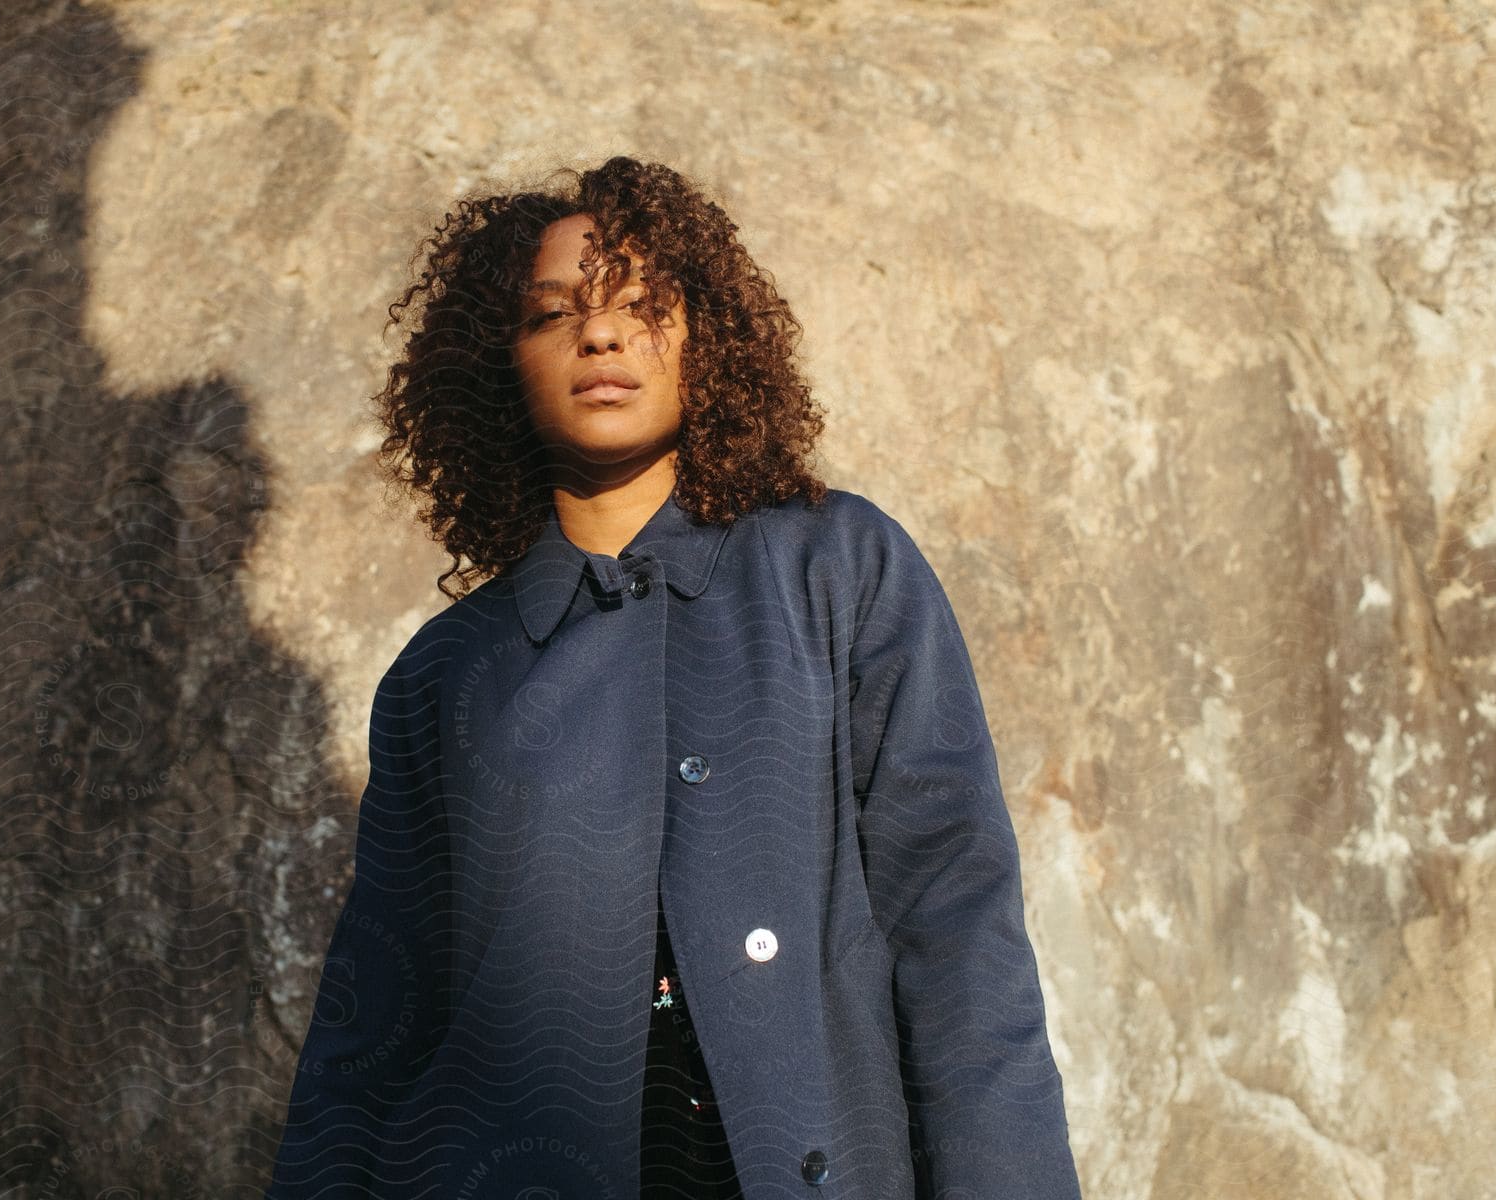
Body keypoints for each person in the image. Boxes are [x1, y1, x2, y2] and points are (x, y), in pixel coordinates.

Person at [263, 156, 1082, 1200]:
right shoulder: (445, 673)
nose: (600, 335)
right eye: (553, 314)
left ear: (711, 338)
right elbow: (371, 1028)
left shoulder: (840, 570)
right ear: (496, 364)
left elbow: (959, 924)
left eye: (642, 303)